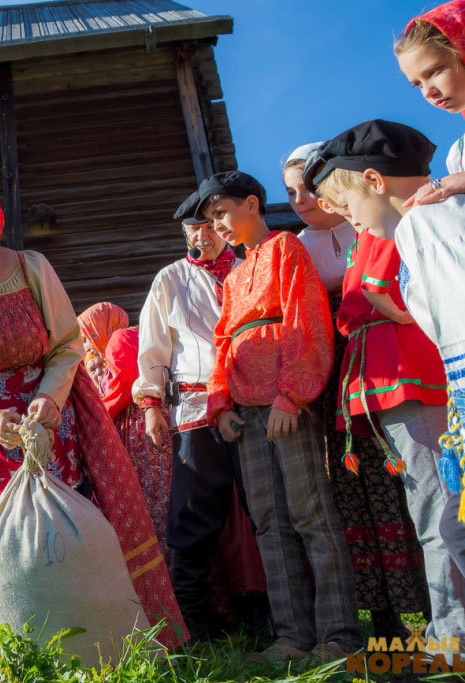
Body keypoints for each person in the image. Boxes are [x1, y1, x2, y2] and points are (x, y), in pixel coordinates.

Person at [0, 183, 186, 667]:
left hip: (46, 417)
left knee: (60, 526)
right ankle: (10, 650)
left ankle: (90, 643)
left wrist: (49, 398)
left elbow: (66, 345)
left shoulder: (33, 267)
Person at [305, 120, 465, 653]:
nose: (344, 216)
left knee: (444, 513)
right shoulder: (388, 229)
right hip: (391, 378)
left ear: (373, 181)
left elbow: (410, 305)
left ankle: (458, 643)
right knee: (438, 513)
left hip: (416, 374)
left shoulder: (415, 225)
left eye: (345, 204)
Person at [198, 171, 362, 663]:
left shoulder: (286, 248)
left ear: (252, 204)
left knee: (311, 513)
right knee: (269, 521)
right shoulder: (233, 278)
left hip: (285, 404)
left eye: (221, 212)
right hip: (246, 411)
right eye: (210, 218)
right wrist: (220, 403)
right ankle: (292, 638)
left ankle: (340, 636)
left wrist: (291, 396)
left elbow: (306, 317)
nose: (217, 225)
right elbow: (223, 341)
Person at [283, 144, 430, 640]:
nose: (302, 200)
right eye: (291, 193)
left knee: (402, 479)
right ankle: (380, 617)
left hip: (388, 359)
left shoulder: (373, 225)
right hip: (334, 376)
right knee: (350, 488)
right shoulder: (294, 247)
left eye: (309, 188)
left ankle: (427, 612)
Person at [132, 192, 267, 645]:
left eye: (210, 226)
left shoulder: (247, 269)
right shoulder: (171, 279)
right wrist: (151, 405)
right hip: (194, 410)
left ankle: (271, 618)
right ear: (184, 234)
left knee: (262, 508)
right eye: (194, 229)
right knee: (194, 515)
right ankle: (193, 626)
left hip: (251, 403)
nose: (203, 236)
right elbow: (153, 347)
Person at [78, 303, 173, 562]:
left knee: (154, 501)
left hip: (143, 431)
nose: (85, 344)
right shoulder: (134, 337)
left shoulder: (121, 340)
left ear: (99, 327)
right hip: (147, 426)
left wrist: (96, 412)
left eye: (86, 335)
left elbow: (119, 389)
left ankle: (162, 569)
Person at [395, 0, 465, 209]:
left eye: (434, 71)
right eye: (418, 84)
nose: (428, 92)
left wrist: (456, 182)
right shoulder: (460, 151)